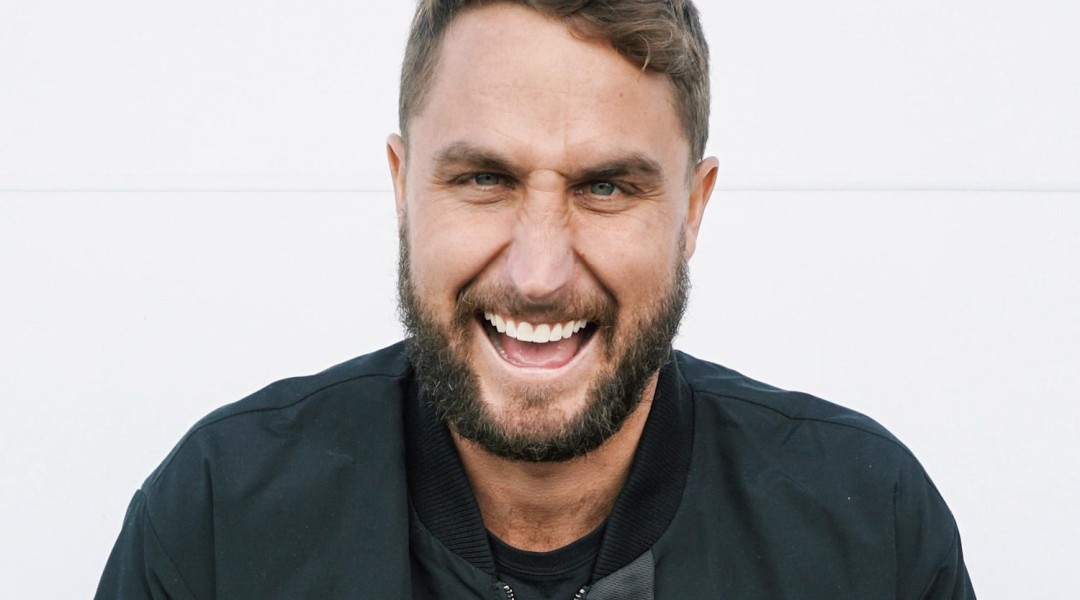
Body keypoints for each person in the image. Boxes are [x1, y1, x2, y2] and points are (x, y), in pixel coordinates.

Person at [96, 1, 975, 598]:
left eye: (606, 187)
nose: (538, 275)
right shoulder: (222, 518)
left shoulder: (868, 529)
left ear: (692, 210)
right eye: (484, 179)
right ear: (402, 187)